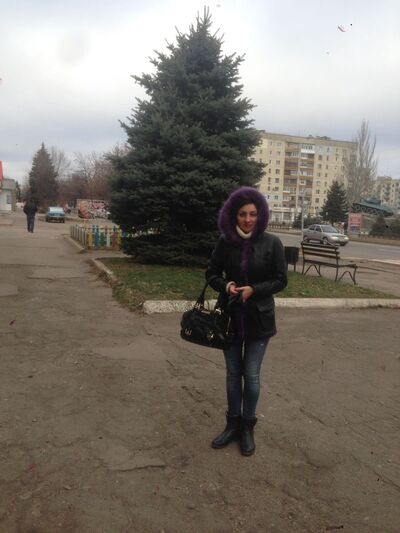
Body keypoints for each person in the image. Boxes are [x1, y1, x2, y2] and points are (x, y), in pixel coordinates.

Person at [206, 187, 287, 456]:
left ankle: (248, 427)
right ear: (234, 215)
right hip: (230, 318)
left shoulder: (272, 243)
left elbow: (281, 280)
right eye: (242, 214)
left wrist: (255, 289)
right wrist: (226, 285)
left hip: (259, 319)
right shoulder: (225, 242)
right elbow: (211, 274)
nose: (248, 219)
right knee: (233, 374)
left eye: (253, 214)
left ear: (260, 214)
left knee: (251, 375)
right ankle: (232, 424)